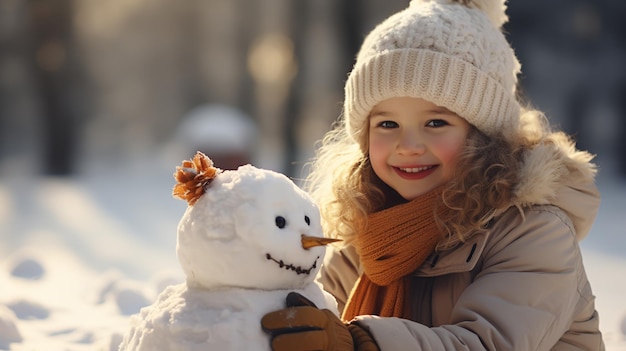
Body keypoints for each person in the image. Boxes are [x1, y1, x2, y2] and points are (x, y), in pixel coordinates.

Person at [260, 0, 604, 350]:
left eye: (436, 123)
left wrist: (358, 342)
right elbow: (313, 313)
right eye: (387, 124)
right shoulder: (369, 233)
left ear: (486, 137)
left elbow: (485, 343)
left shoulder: (533, 231)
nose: (408, 145)